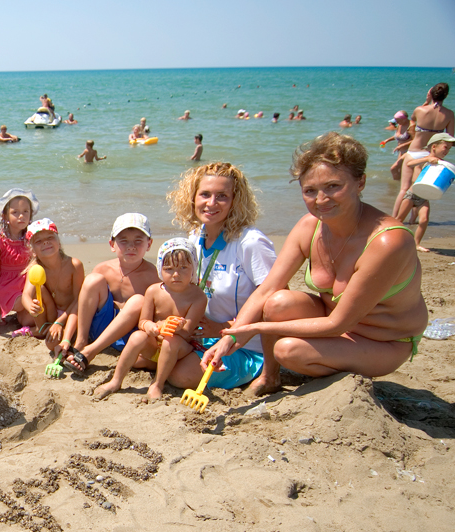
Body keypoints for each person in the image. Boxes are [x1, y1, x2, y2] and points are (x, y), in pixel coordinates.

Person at [202, 133, 428, 396]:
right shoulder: (309, 226)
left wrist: (252, 330)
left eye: (333, 186)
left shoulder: (389, 241)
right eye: (310, 190)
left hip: (382, 339)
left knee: (288, 350)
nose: (321, 199)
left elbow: (338, 324)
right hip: (330, 320)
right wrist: (232, 336)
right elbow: (266, 290)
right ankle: (269, 376)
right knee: (277, 302)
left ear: (360, 182)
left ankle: (333, 368)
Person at [164, 161, 276, 392]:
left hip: (246, 345)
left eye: (222, 196)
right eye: (204, 194)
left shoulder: (251, 242)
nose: (211, 203)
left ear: (235, 200)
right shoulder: (195, 237)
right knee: (145, 358)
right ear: (192, 198)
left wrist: (225, 328)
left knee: (179, 376)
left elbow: (274, 306)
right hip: (203, 338)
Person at [92, 239, 207, 401]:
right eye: (169, 269)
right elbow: (142, 322)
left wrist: (179, 325)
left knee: (170, 341)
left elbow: (188, 332)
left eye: (183, 268)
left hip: (179, 349)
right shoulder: (153, 291)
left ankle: (157, 384)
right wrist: (153, 326)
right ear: (160, 269)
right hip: (154, 345)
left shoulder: (198, 296)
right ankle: (116, 381)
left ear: (193, 268)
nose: (176, 274)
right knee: (137, 336)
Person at [65, 213, 159, 375]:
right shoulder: (104, 268)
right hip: (99, 328)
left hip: (128, 335)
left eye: (138, 241)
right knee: (93, 279)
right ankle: (81, 342)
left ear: (149, 244)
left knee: (138, 301)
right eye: (123, 240)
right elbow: (82, 304)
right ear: (112, 244)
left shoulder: (152, 275)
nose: (131, 246)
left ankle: (91, 351)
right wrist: (63, 328)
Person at [21, 219, 83, 355]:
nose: (45, 242)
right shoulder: (35, 267)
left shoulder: (74, 265)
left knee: (51, 344)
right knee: (38, 290)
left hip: (71, 312)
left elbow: (79, 300)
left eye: (50, 237)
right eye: (38, 241)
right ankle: (42, 328)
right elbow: (25, 295)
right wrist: (30, 306)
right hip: (51, 313)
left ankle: (42, 330)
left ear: (59, 242)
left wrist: (59, 322)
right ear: (32, 250)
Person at [393, 83, 454, 217]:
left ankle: (394, 219)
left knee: (404, 189)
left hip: (414, 152)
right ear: (446, 96)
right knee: (420, 190)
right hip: (430, 154)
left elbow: (413, 122)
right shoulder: (449, 114)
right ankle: (413, 220)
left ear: (431, 94)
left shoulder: (420, 110)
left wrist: (426, 102)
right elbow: (450, 138)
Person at [395, 132, 454, 252]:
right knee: (399, 220)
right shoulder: (426, 158)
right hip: (411, 195)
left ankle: (416, 244)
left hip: (424, 196)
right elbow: (409, 163)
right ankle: (394, 239)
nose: (447, 151)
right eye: (445, 147)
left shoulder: (440, 163)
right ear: (434, 147)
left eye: (449, 148)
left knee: (424, 220)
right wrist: (428, 159)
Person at [0, 188, 38, 328]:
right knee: (22, 302)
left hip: (26, 282)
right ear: (5, 216)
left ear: (31, 214)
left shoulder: (32, 238)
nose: (21, 216)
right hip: (6, 284)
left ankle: (20, 315)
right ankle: (3, 307)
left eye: (25, 212)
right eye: (15, 212)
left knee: (28, 320)